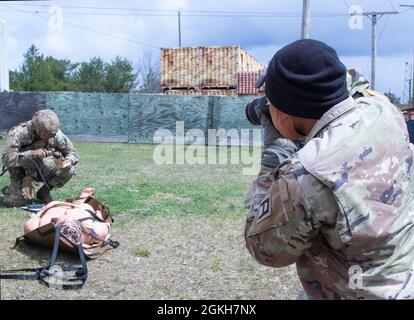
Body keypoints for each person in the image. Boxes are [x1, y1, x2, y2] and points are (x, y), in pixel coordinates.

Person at [244, 39, 414, 300]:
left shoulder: (307, 174)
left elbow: (265, 250)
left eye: (271, 104)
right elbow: (356, 86)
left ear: (286, 114)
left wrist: (275, 153)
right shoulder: (384, 111)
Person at [1, 109, 79, 207]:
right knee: (15, 202)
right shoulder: (18, 133)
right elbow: (8, 159)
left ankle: (44, 192)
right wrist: (32, 153)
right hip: (21, 170)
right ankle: (11, 189)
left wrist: (69, 161)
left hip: (42, 167)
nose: (50, 136)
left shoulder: (55, 134)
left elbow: (72, 152)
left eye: (52, 134)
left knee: (69, 170)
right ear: (36, 129)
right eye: (46, 134)